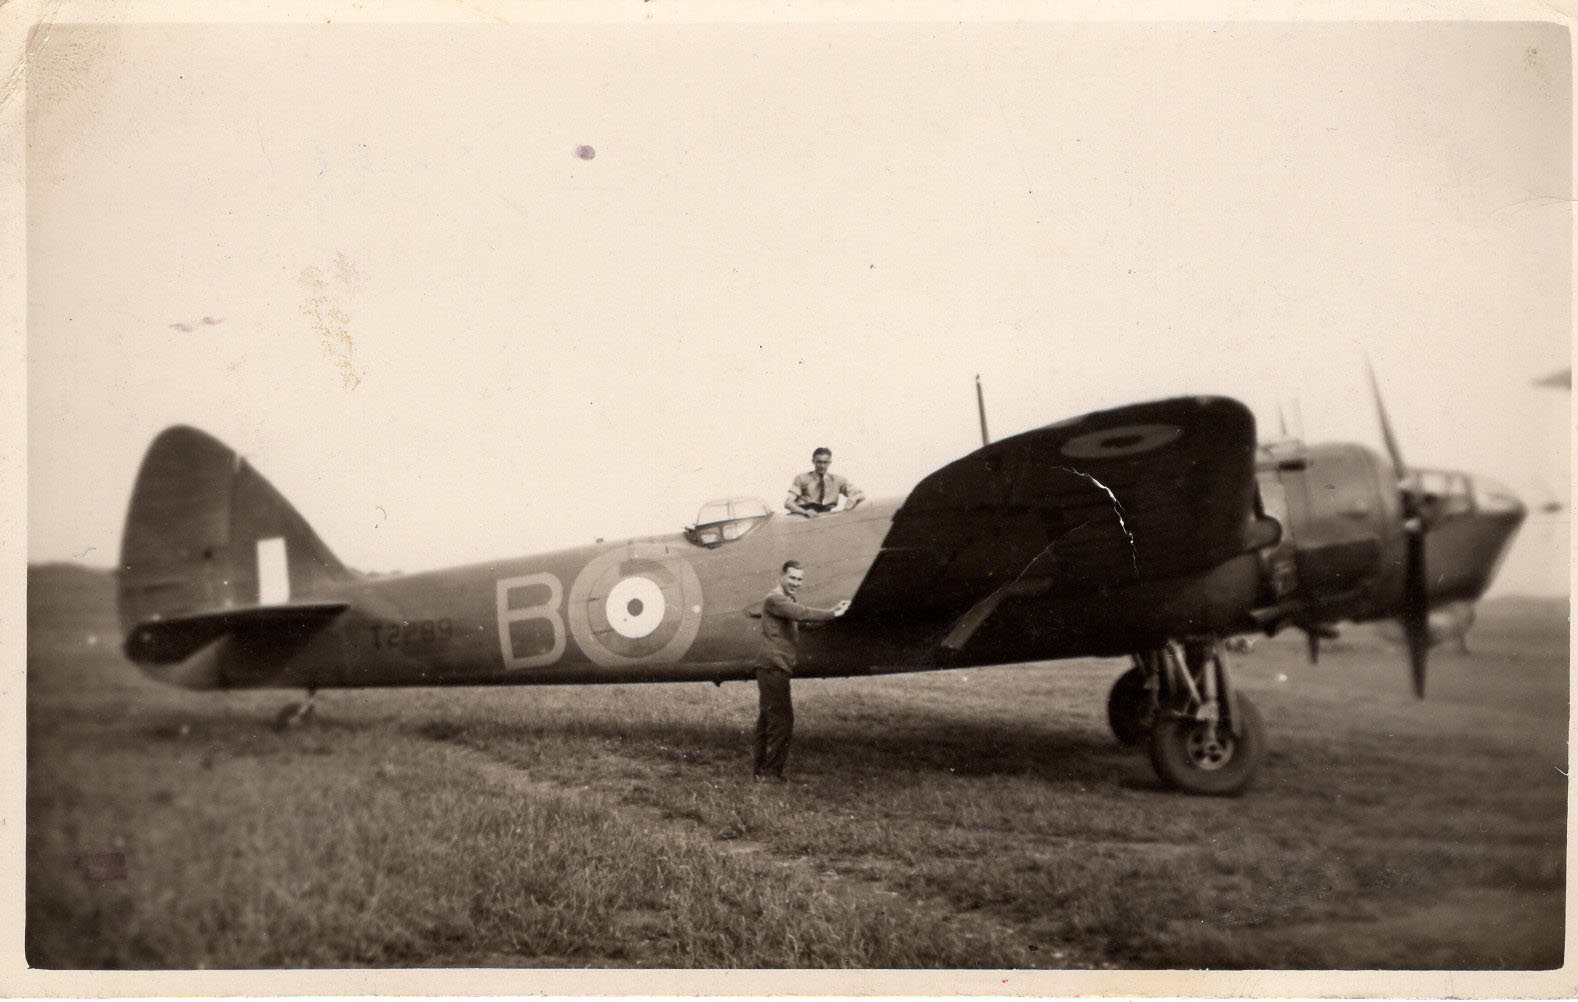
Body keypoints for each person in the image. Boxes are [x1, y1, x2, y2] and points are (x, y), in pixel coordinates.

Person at [752, 560, 850, 782]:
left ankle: (760, 771)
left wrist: (834, 614)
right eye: (792, 578)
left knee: (767, 721)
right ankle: (771, 774)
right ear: (781, 576)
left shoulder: (785, 602)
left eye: (799, 579)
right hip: (774, 666)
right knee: (782, 722)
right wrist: (833, 613)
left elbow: (803, 623)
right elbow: (802, 613)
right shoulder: (775, 599)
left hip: (771, 667)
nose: (796, 583)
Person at [785, 447, 865, 517]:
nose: (822, 466)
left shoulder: (837, 480)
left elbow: (859, 494)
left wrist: (852, 500)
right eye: (819, 462)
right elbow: (788, 503)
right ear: (813, 461)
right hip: (802, 517)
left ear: (830, 462)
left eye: (825, 462)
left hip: (824, 517)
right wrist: (805, 512)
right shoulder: (802, 478)